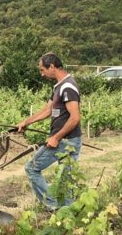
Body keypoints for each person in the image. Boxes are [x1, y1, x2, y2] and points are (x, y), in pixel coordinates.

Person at [15, 53, 82, 211]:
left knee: (32, 168)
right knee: (65, 180)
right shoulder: (59, 86)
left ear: (52, 66)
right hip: (67, 140)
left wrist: (56, 138)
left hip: (65, 141)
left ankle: (52, 205)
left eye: (42, 69)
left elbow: (75, 118)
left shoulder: (68, 87)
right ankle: (67, 212)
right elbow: (48, 110)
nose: (42, 74)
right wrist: (26, 122)